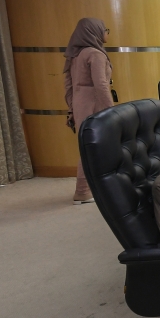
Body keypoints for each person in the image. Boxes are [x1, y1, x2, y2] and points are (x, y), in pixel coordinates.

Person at [63, 17, 113, 205]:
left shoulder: (75, 55)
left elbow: (68, 85)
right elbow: (101, 84)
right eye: (105, 29)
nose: (107, 33)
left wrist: (71, 109)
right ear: (94, 32)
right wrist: (111, 111)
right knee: (93, 148)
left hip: (79, 104)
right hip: (95, 105)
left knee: (88, 146)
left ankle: (91, 188)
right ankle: (83, 191)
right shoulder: (95, 54)